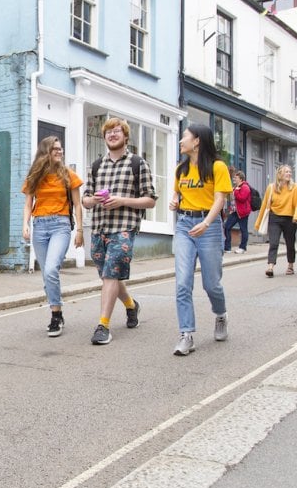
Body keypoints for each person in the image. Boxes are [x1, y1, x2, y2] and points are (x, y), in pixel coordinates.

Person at [82, 118, 157, 346]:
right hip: (99, 228)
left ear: (125, 137)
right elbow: (85, 200)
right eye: (108, 132)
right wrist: (93, 200)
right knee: (108, 275)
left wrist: (121, 201)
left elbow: (151, 200)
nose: (112, 135)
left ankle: (103, 325)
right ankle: (131, 305)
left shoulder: (137, 163)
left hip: (124, 228)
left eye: (117, 131)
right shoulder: (96, 165)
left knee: (110, 275)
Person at [168, 124, 232, 356]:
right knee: (182, 283)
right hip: (185, 224)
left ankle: (221, 315)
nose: (180, 141)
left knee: (211, 283)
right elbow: (177, 192)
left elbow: (220, 200)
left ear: (197, 141)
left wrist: (206, 223)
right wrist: (175, 200)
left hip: (209, 227)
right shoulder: (181, 169)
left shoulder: (217, 167)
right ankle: (186, 335)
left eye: (184, 137)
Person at [22, 136, 83, 337]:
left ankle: (56, 315)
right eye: (55, 148)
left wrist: (80, 230)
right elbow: (28, 203)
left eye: (61, 148)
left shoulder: (68, 175)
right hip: (39, 226)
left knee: (50, 270)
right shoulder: (35, 176)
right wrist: (25, 225)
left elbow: (78, 205)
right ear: (46, 151)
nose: (60, 151)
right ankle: (56, 312)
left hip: (61, 225)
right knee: (46, 274)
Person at [254, 165, 297, 278]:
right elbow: (265, 205)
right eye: (286, 172)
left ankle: (290, 264)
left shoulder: (295, 187)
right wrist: (258, 222)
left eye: (290, 172)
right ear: (279, 174)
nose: (289, 174)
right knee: (273, 243)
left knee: (290, 244)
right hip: (274, 218)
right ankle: (270, 266)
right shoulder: (271, 187)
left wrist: (296, 216)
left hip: (290, 219)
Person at [223, 170, 252, 253]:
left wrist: (235, 191)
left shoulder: (245, 187)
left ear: (241, 179)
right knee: (227, 227)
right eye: (234, 178)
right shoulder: (236, 187)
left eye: (236, 178)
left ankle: (243, 248)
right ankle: (227, 248)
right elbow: (233, 201)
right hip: (235, 212)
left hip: (243, 212)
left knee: (243, 229)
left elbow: (242, 198)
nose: (234, 179)